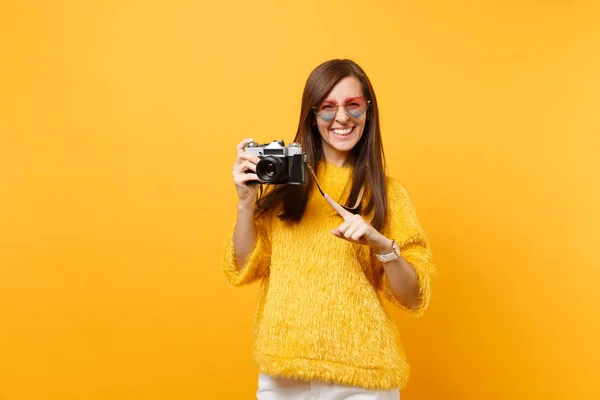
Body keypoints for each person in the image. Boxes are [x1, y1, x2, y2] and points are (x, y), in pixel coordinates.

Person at [223, 59, 436, 399]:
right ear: (312, 115)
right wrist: (246, 203)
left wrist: (380, 244)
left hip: (364, 376)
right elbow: (247, 266)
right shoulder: (284, 180)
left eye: (353, 106)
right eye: (328, 108)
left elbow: (413, 297)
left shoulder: (387, 193)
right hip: (284, 376)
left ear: (368, 110)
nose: (341, 118)